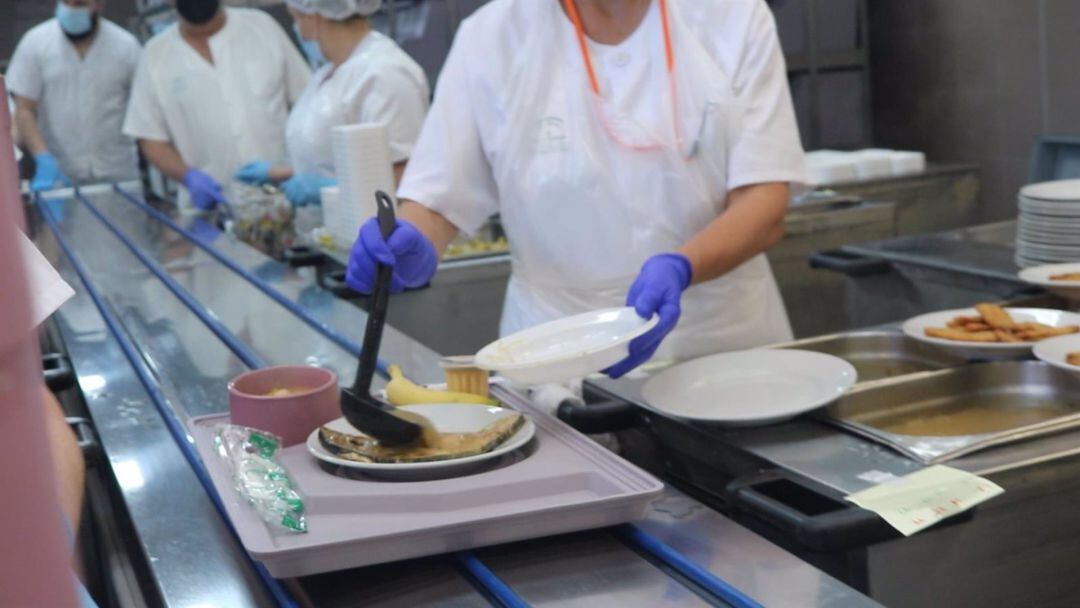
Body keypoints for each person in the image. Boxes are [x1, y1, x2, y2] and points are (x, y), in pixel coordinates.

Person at [344, 0, 807, 377]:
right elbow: (437, 199)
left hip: (721, 353)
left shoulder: (733, 17)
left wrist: (683, 267)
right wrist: (409, 238)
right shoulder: (492, 37)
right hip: (556, 359)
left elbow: (764, 199)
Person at [234, 0, 429, 208]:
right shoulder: (327, 74)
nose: (298, 29)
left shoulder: (386, 73)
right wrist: (278, 173)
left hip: (369, 234)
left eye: (296, 18)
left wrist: (328, 189)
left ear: (314, 16)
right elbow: (332, 161)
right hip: (328, 233)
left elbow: (405, 183)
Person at [122, 0, 311, 212]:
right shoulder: (155, 55)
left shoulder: (262, 28)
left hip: (284, 200)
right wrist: (188, 176)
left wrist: (300, 172)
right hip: (211, 211)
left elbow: (307, 102)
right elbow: (150, 138)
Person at [6, 0, 141, 191]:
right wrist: (43, 158)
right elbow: (24, 109)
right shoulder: (35, 43)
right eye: (66, 2)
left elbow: (145, 110)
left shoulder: (126, 46)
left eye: (78, 3)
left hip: (119, 172)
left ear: (98, 4)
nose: (70, 9)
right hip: (60, 174)